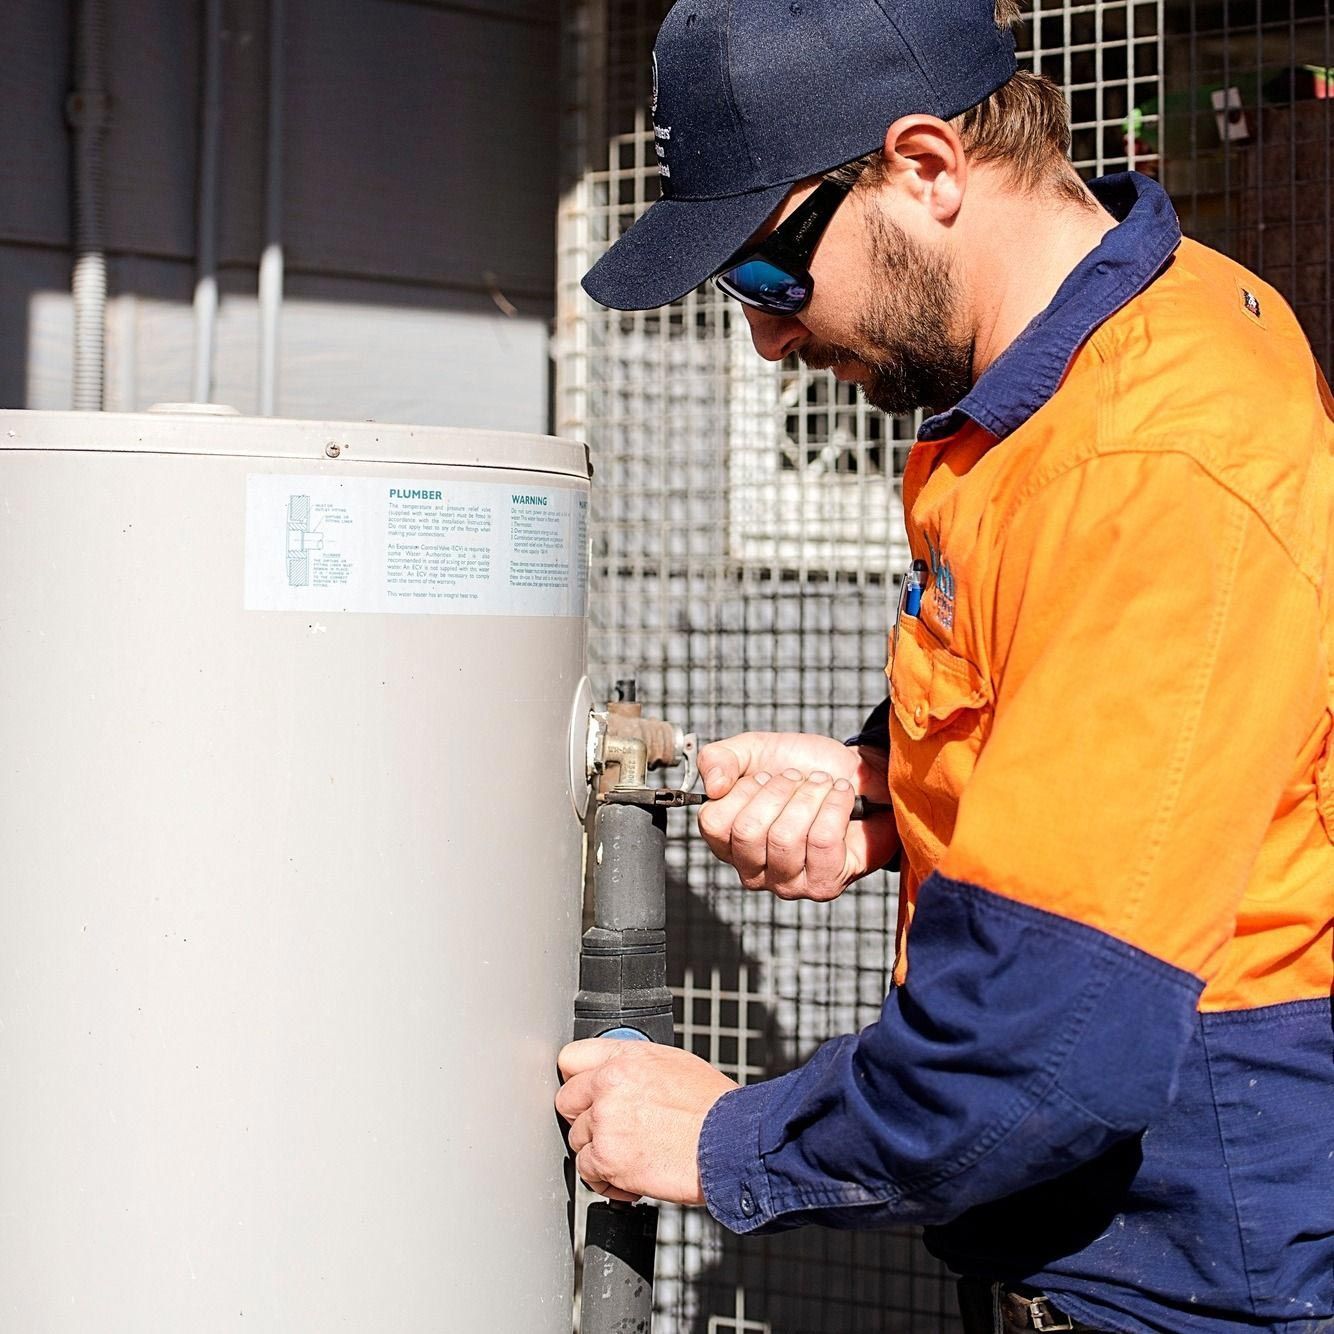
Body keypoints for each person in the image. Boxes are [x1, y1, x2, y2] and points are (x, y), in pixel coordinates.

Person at [554, 0, 1334, 1329]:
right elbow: (1152, 719)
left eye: (764, 272)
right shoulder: (1098, 350)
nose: (767, 339)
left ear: (924, 166)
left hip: (1190, 1274)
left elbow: (1048, 1048)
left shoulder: (1145, 455)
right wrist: (882, 785)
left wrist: (725, 1140)